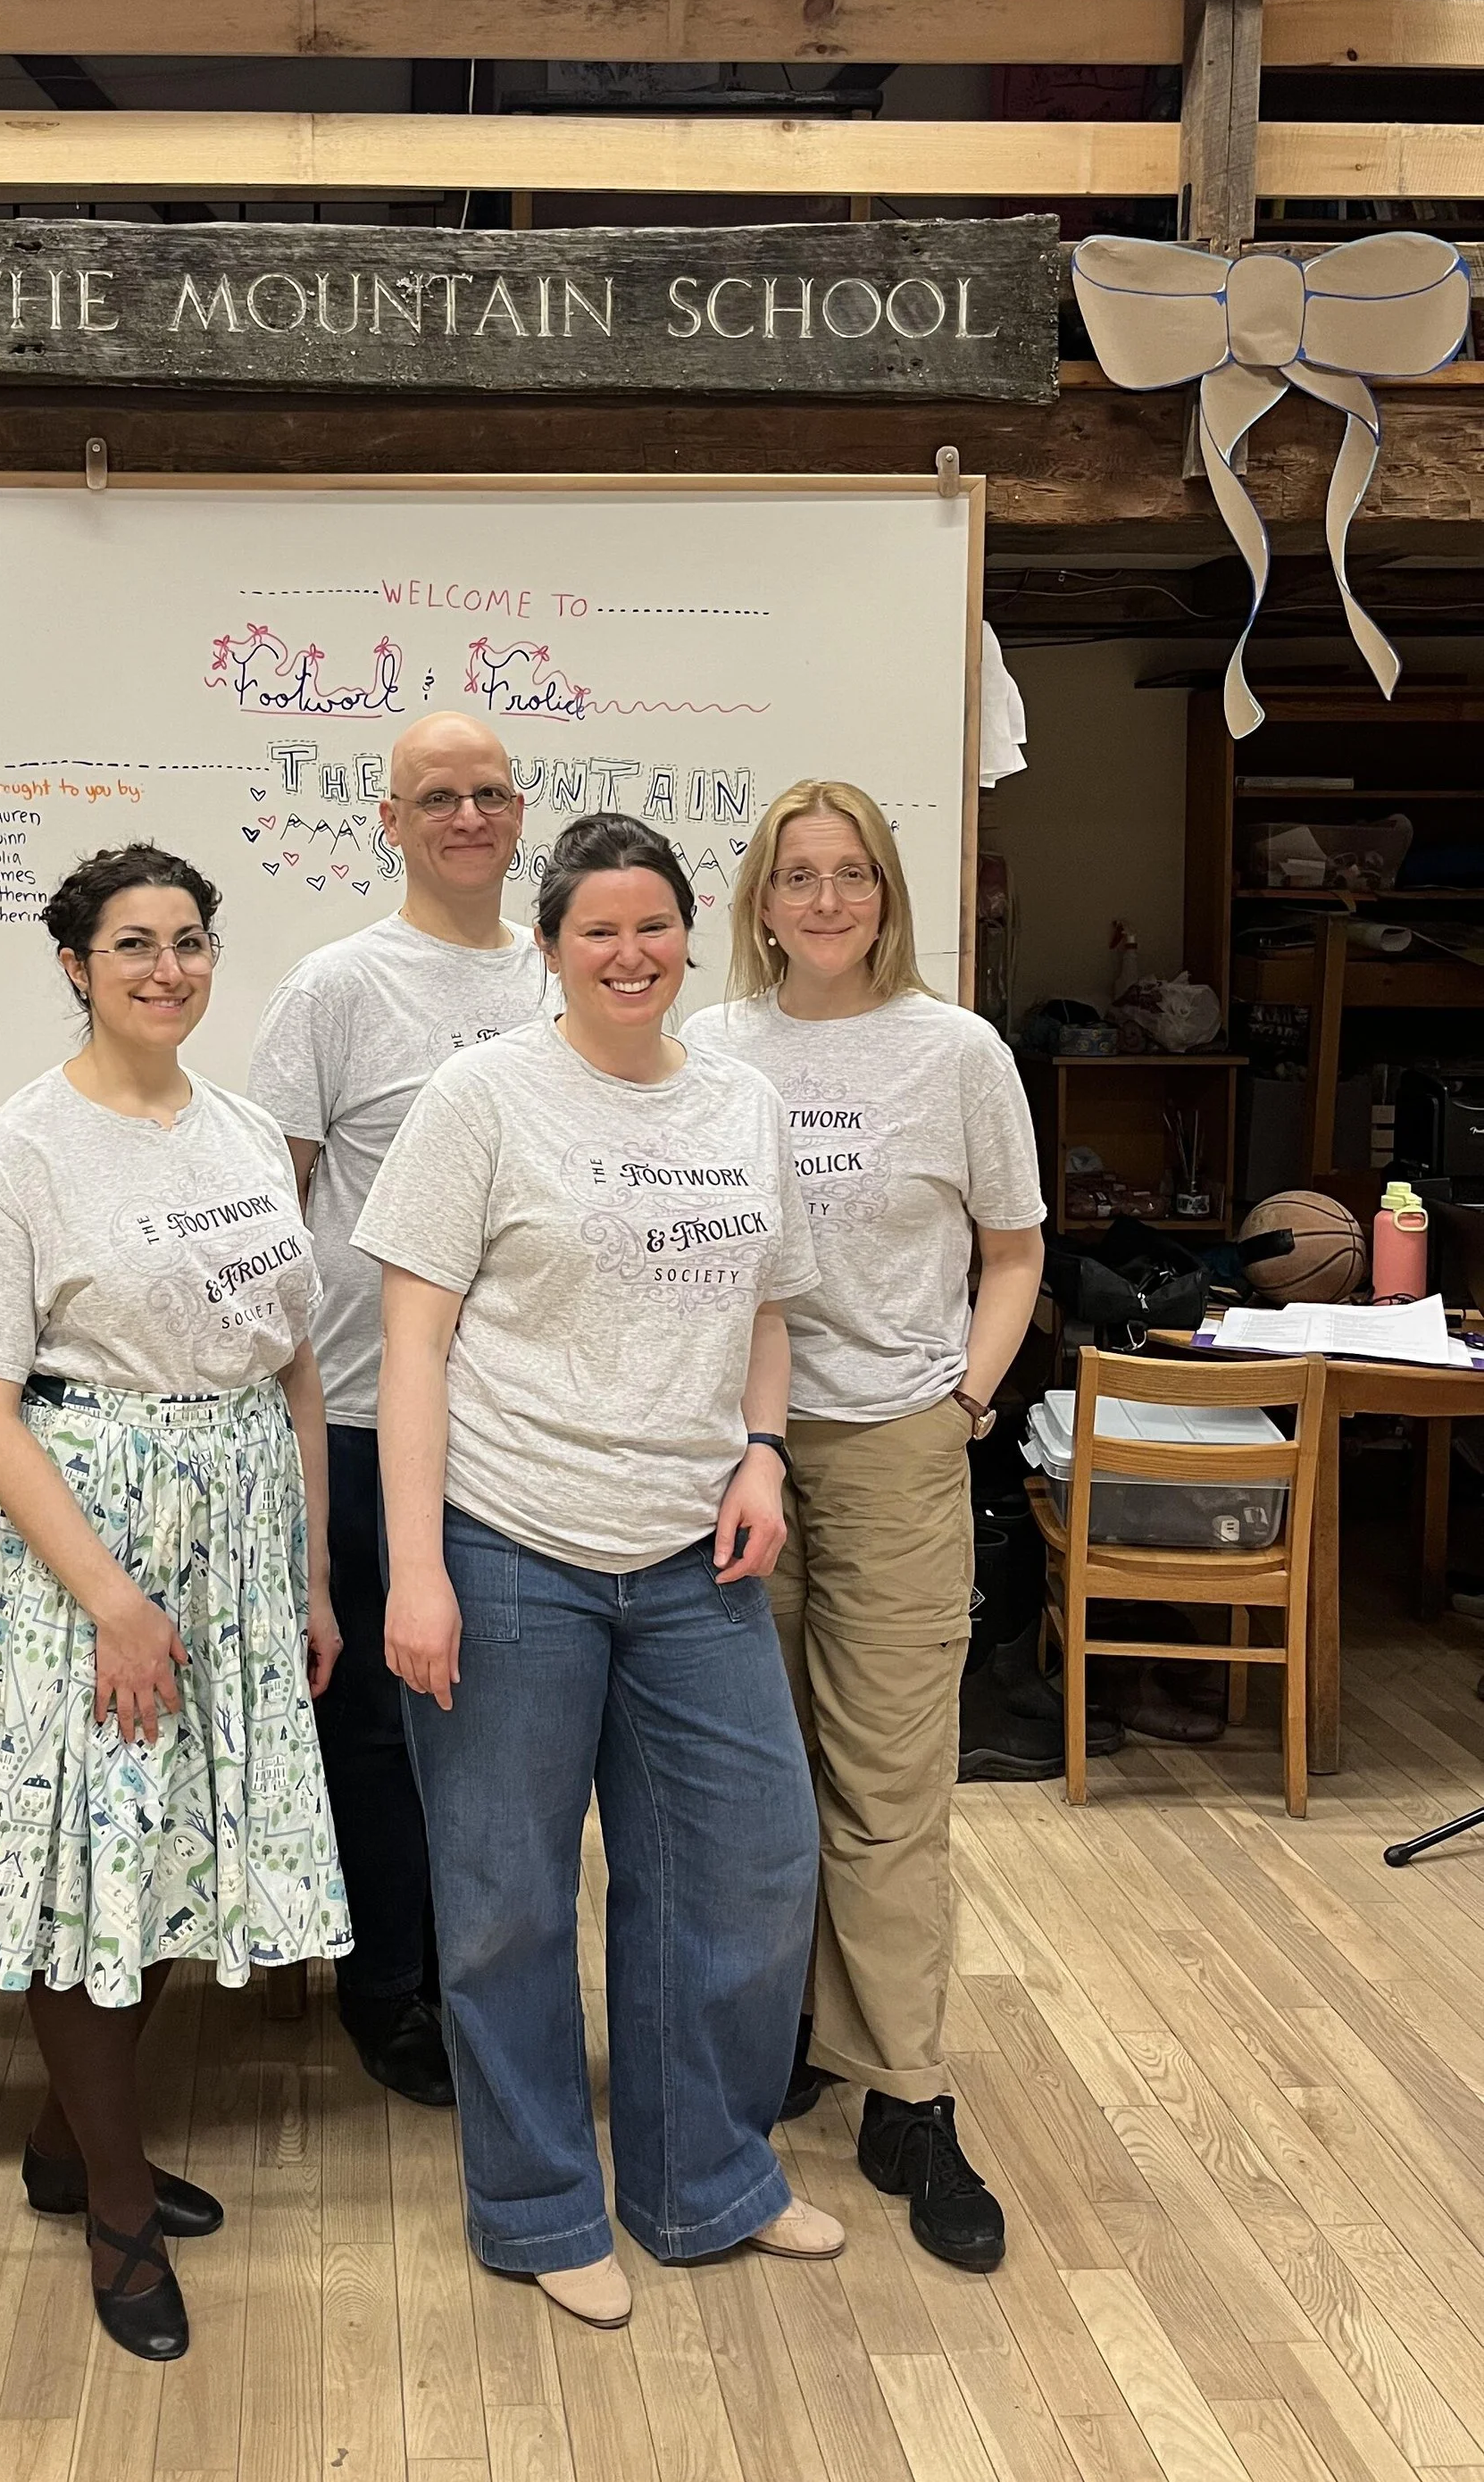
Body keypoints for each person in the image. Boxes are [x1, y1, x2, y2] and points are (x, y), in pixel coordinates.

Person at [356, 811, 838, 2333]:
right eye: (595, 931)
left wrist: (762, 1452)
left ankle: (705, 2178)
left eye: (653, 925)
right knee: (502, 1902)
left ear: (693, 935)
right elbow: (411, 1343)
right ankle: (540, 2205)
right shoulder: (483, 1096)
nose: (629, 954)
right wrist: (416, 1570)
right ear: (551, 950)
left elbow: (767, 1304)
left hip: (696, 1552)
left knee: (748, 1868)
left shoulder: (744, 1102)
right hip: (510, 1549)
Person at [0, 842, 349, 2366]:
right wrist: (109, 1599)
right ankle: (113, 2212)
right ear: (77, 967)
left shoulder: (237, 1133)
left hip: (232, 1538)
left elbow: (295, 1364)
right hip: (78, 1548)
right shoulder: (26, 1147)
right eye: (134, 945)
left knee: (172, 1853)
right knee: (92, 1861)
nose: (168, 968)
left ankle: (64, 2143)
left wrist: (312, 1571)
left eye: (191, 941)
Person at [691, 779, 1045, 2276]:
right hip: (729, 1459)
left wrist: (963, 1402)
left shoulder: (956, 1052)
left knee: (893, 1777)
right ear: (759, 903)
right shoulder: (706, 1049)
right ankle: (784, 2046)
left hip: (899, 1445)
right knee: (757, 1787)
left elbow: (1016, 1250)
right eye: (798, 877)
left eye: (852, 876)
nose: (826, 901)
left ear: (887, 894)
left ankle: (906, 2087)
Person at [246, 710, 544, 2107]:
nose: (464, 814)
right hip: (368, 1412)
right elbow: (272, 1198)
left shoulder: (570, 977)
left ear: (522, 811)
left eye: (487, 791)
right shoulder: (336, 989)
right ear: (390, 819)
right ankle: (387, 1985)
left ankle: (488, 1971)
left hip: (533, 1422)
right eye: (437, 795)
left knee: (499, 1719)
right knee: (373, 1718)